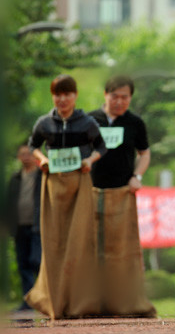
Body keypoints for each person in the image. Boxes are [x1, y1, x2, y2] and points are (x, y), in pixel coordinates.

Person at [25, 74, 107, 319]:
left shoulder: (87, 123)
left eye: (66, 94)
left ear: (75, 96)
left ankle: (80, 303)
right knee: (53, 242)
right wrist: (43, 160)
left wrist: (89, 161)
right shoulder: (44, 123)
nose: (62, 99)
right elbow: (32, 146)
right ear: (53, 96)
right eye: (57, 94)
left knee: (79, 240)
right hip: (52, 185)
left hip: (79, 182)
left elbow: (101, 147)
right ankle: (54, 303)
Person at [89, 75, 156, 317]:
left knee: (121, 248)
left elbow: (145, 154)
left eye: (125, 97)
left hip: (122, 194)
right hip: (90, 193)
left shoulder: (135, 123)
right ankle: (92, 301)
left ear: (130, 98)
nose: (119, 101)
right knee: (91, 247)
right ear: (105, 95)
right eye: (114, 96)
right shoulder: (89, 120)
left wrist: (136, 176)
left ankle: (123, 301)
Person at [6, 144, 42, 312]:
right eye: (23, 154)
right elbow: (7, 203)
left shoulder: (42, 176)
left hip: (37, 226)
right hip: (19, 226)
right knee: (23, 263)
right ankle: (28, 301)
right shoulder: (16, 178)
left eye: (29, 153)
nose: (26, 157)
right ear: (19, 157)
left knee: (37, 261)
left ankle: (42, 299)